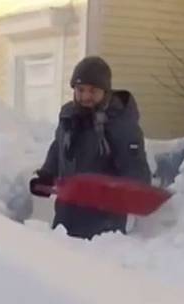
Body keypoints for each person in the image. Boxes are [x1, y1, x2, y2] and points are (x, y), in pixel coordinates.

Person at [30, 56, 151, 239]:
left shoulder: (121, 125)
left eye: (93, 91)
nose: (86, 96)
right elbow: (58, 147)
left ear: (105, 92)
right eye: (80, 90)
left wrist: (123, 191)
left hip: (103, 232)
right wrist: (47, 175)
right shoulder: (68, 116)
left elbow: (137, 173)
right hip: (65, 220)